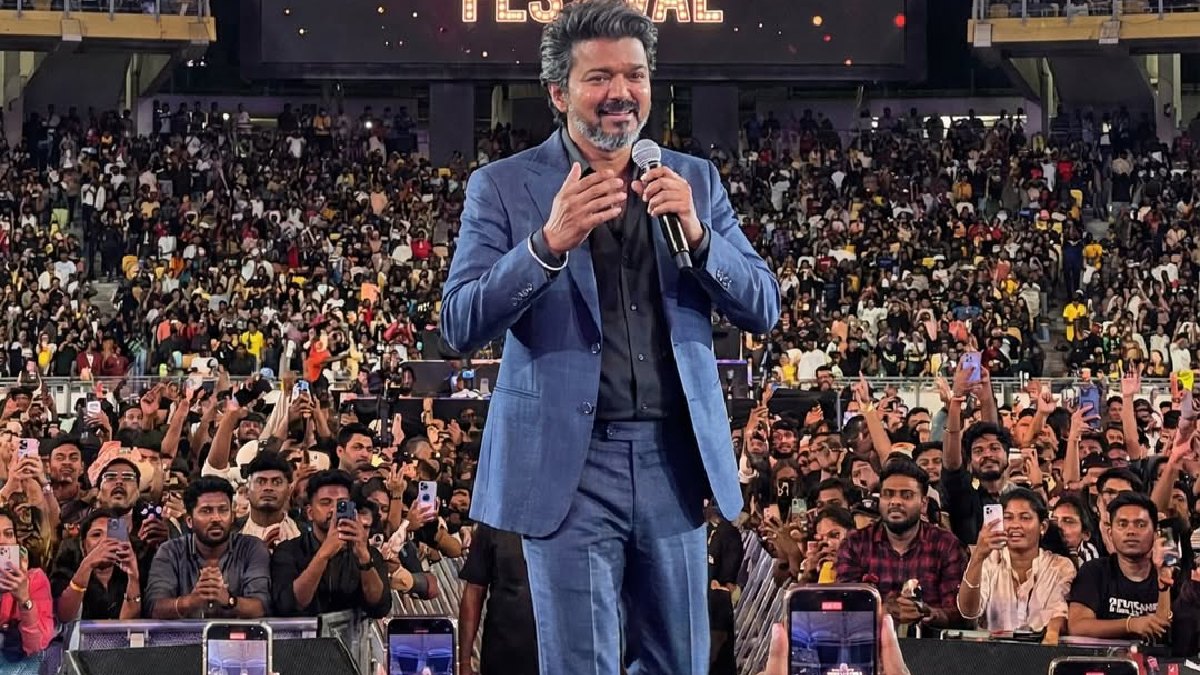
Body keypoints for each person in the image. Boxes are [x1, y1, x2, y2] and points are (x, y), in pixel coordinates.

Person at [439, 0, 778, 671]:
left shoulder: (694, 180)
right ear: (558, 93)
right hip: (568, 465)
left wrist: (700, 237)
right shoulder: (502, 187)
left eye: (635, 75)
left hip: (673, 460)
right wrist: (546, 245)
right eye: (599, 77)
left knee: (682, 662)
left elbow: (762, 306)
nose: (621, 92)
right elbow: (459, 322)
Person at [836, 458, 968, 630]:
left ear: (923, 504)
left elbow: (959, 614)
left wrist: (928, 613)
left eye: (906, 495)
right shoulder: (855, 544)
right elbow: (844, 608)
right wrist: (884, 611)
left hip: (931, 643)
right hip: (871, 641)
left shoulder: (946, 544)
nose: (895, 501)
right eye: (888, 494)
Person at [956, 488, 1075, 641]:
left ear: (1043, 527)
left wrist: (1052, 632)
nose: (1015, 525)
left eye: (1025, 518)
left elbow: (1059, 612)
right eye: (1008, 518)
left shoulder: (1060, 566)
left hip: (1042, 648)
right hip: (992, 651)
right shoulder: (989, 561)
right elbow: (968, 611)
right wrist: (978, 556)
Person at [145, 477, 271, 619]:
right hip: (185, 634)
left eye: (223, 510)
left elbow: (262, 606)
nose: (216, 518)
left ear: (232, 517)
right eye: (206, 511)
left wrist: (229, 600)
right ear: (189, 521)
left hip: (238, 633)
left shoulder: (252, 548)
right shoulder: (170, 551)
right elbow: (154, 607)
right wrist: (191, 601)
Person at [270, 470, 391, 617]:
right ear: (310, 512)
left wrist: (364, 559)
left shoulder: (367, 553)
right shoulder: (288, 551)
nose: (334, 509)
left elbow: (380, 606)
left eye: (341, 504)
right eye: (325, 503)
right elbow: (289, 605)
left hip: (352, 632)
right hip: (305, 631)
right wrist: (324, 554)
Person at [1067, 492, 1174, 642]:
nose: (1131, 531)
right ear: (1110, 534)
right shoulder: (1094, 571)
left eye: (1140, 525)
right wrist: (1130, 624)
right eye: (1122, 524)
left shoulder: (1171, 572)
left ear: (1156, 534)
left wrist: (1164, 585)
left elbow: (1165, 631)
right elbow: (1077, 626)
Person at [457, 524, 538, 675]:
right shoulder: (494, 522)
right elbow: (474, 591)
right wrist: (464, 663)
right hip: (503, 655)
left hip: (563, 655)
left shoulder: (574, 521)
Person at [53, 508, 142, 621]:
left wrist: (133, 577)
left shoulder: (132, 572)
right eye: (96, 535)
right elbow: (65, 616)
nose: (105, 541)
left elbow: (128, 625)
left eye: (111, 535)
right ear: (83, 545)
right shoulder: (67, 569)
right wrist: (87, 565)